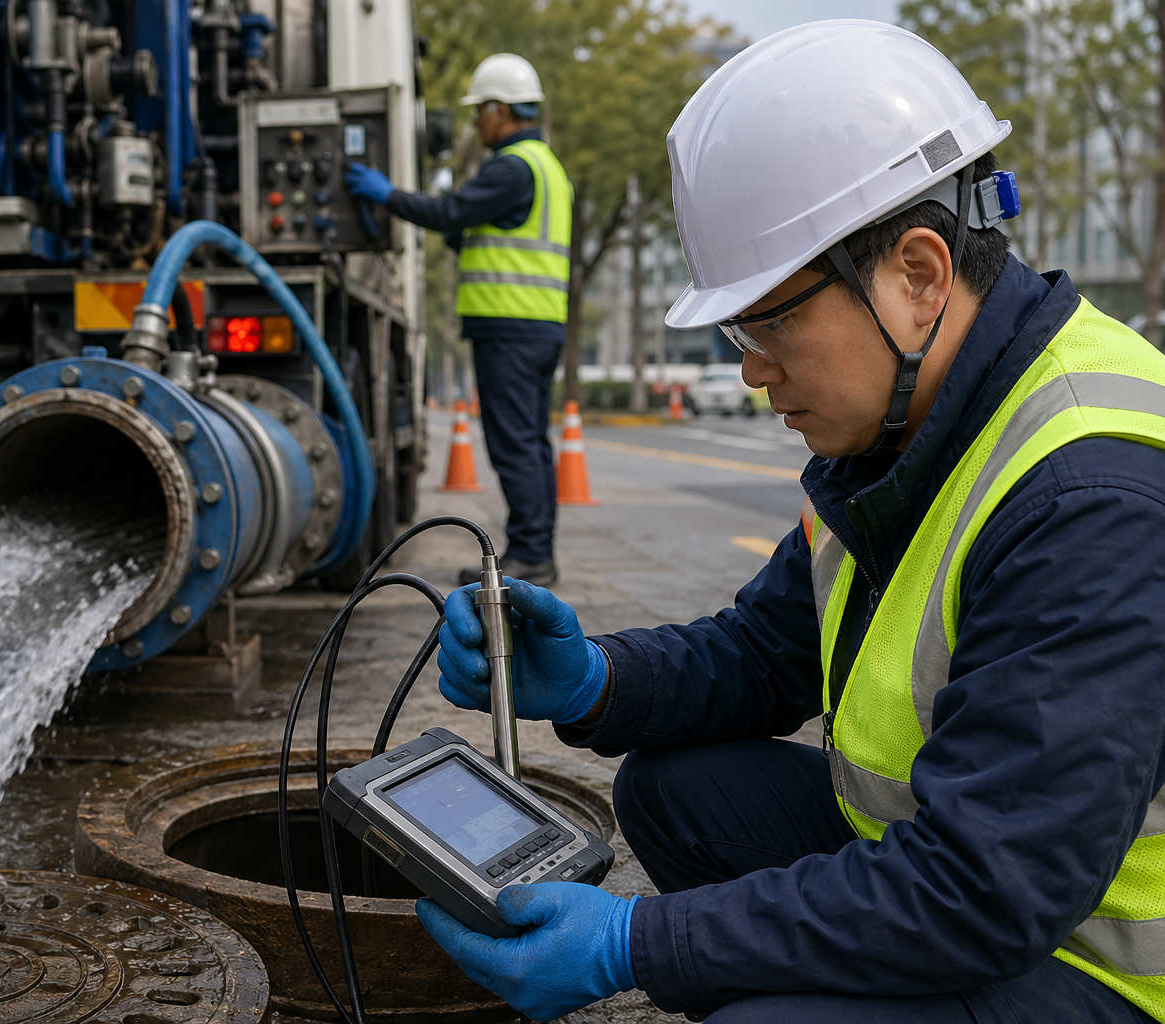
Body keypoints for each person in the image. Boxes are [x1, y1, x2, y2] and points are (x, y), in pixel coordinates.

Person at [420, 20, 1165, 1024]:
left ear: (918, 277)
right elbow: (768, 653)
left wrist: (640, 943)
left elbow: (983, 888)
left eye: (772, 322)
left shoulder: (1088, 499)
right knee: (673, 789)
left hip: (1100, 965)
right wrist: (596, 679)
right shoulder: (912, 424)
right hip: (973, 880)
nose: (751, 369)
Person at [345, 53, 571, 587]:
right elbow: (485, 231)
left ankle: (531, 555)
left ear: (500, 109)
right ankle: (536, 551)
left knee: (515, 445)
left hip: (508, 326)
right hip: (539, 325)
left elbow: (448, 211)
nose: (475, 122)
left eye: (480, 111)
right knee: (531, 443)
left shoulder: (511, 167)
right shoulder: (547, 167)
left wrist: (386, 193)